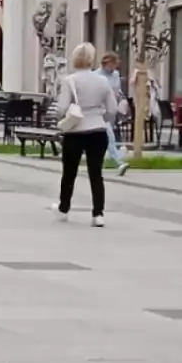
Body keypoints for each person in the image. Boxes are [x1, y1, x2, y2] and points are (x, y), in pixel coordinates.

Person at [52, 43, 118, 227]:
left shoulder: (69, 80)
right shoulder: (102, 81)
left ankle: (64, 207)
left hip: (75, 132)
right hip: (97, 130)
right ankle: (98, 213)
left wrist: (63, 117)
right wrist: (100, 117)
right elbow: (112, 109)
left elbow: (62, 108)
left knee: (69, 172)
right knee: (96, 173)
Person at [95, 52, 129, 175]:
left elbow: (117, 91)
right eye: (111, 64)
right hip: (99, 111)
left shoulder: (116, 75)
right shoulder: (96, 75)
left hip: (110, 110)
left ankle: (99, 163)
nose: (113, 67)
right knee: (109, 137)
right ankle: (119, 162)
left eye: (115, 64)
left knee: (105, 138)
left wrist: (120, 103)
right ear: (105, 63)